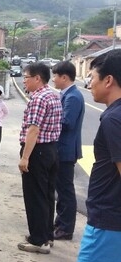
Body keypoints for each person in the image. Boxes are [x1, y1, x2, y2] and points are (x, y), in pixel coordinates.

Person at [66, 50, 121, 262]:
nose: (90, 83)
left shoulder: (114, 119)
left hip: (109, 226)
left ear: (109, 80)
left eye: (93, 77)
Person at [17, 62, 62, 254]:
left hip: (38, 152)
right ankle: (46, 234)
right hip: (51, 150)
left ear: (37, 78)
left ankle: (38, 240)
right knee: (46, 195)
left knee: (35, 196)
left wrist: (25, 157)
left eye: (26, 77)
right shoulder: (53, 95)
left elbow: (33, 130)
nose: (24, 81)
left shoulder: (38, 99)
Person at [52, 61, 85, 241]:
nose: (53, 79)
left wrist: (48, 119)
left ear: (64, 77)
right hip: (63, 149)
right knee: (61, 189)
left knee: (65, 190)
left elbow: (67, 122)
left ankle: (66, 228)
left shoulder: (72, 97)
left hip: (65, 150)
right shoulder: (68, 95)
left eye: (55, 76)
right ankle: (60, 222)